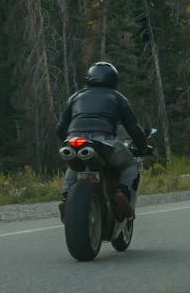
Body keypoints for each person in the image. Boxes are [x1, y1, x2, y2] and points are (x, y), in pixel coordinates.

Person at [56, 61, 150, 223]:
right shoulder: (117, 97)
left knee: (75, 165)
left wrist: (66, 141)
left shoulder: (76, 96)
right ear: (113, 79)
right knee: (130, 166)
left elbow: (60, 127)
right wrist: (143, 147)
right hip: (104, 141)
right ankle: (122, 192)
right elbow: (134, 128)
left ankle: (66, 198)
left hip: (74, 139)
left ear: (90, 78)